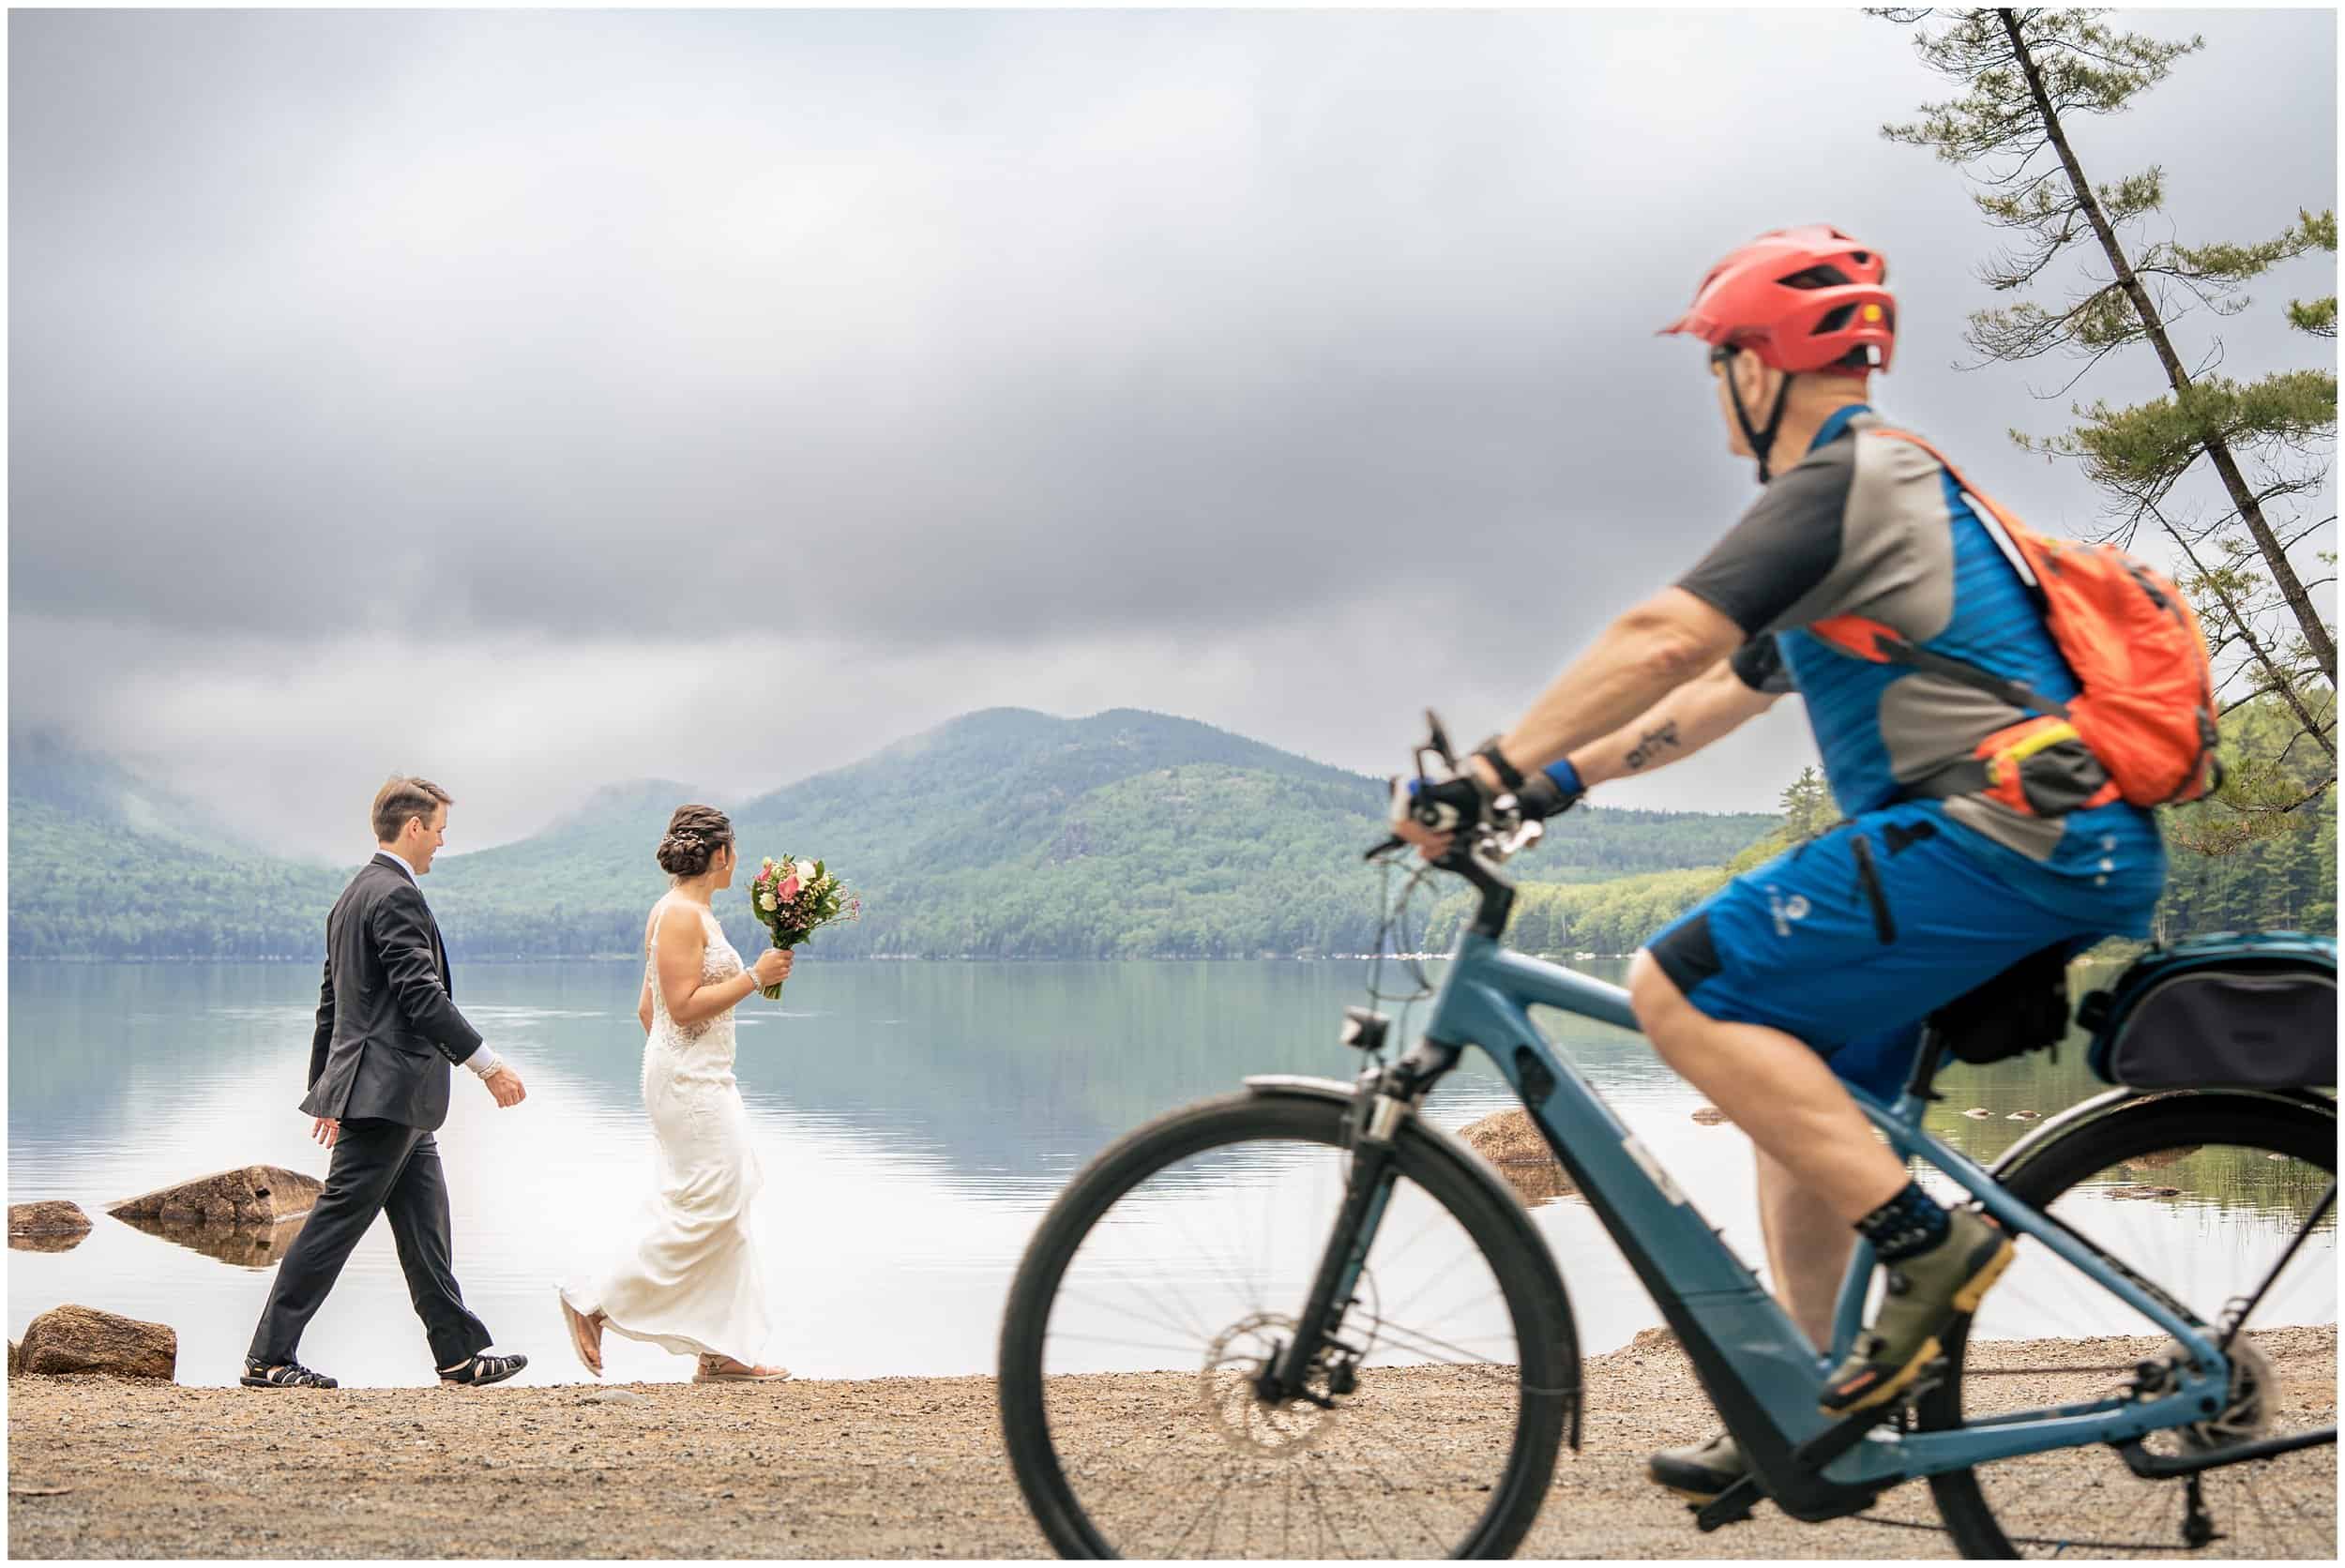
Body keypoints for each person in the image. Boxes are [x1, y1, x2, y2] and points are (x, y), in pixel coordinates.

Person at [1395, 225, 2167, 1503]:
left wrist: (1477, 770)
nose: (1714, 392)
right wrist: (1552, 783)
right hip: (2024, 846)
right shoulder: (1869, 509)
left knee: (1681, 987)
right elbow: (1712, 694)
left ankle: (1931, 1249)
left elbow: (1657, 638)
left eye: (1717, 365)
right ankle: (1809, 1400)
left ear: (1763, 364)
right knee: (1791, 1090)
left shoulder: (1848, 483)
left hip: (2007, 841)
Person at [245, 776, 531, 1390]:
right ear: (413, 828)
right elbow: (421, 998)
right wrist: (488, 1065)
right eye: (440, 832)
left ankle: (457, 1354)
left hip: (390, 1094)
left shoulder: (352, 895)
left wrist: (327, 1087)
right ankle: (269, 1358)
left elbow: (334, 1005)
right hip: (391, 1092)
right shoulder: (396, 896)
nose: (442, 845)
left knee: (426, 1224)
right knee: (334, 1223)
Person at [558, 805, 794, 1383]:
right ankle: (594, 1300)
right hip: (690, 1082)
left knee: (725, 1200)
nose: (736, 858)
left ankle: (723, 1352)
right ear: (721, 855)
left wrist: (688, 1057)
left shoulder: (689, 914)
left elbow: (649, 1010)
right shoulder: (681, 915)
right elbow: (681, 1009)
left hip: (699, 1075)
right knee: (709, 1202)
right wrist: (755, 978)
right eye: (734, 849)